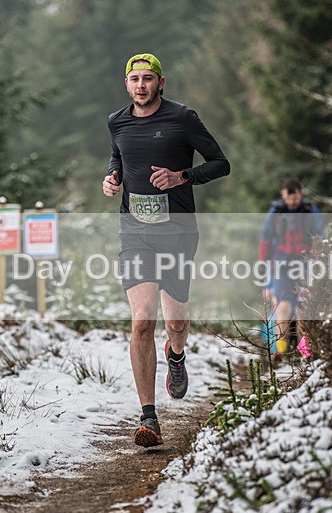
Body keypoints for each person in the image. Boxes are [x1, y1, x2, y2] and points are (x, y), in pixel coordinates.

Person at [102, 53, 230, 447]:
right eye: (134, 79)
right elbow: (119, 156)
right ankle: (148, 417)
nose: (141, 85)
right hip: (135, 233)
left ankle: (176, 354)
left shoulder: (183, 118)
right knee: (142, 321)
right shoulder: (117, 121)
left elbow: (220, 163)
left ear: (161, 83)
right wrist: (112, 177)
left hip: (177, 233)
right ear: (126, 84)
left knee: (175, 322)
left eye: (148, 79)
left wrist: (181, 176)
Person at [258, 177, 323, 356]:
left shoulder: (310, 210)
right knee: (283, 306)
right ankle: (280, 352)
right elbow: (265, 238)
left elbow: (319, 237)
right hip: (281, 265)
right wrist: (263, 265)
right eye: (289, 198)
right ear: (282, 194)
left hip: (305, 265)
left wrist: (318, 261)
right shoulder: (276, 211)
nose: (292, 202)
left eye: (295, 198)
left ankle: (305, 354)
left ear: (301, 194)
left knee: (303, 309)